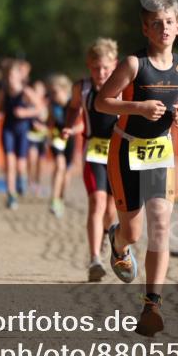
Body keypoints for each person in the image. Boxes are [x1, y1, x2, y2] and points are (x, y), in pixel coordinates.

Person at [97, 0, 178, 337]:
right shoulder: (134, 65)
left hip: (161, 152)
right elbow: (102, 102)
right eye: (156, 23)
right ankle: (118, 242)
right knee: (134, 233)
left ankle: (151, 306)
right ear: (145, 29)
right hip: (126, 150)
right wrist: (137, 107)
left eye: (169, 22)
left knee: (161, 224)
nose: (163, 28)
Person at [62, 38, 120, 282]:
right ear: (89, 66)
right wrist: (69, 125)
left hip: (118, 154)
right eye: (96, 68)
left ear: (115, 65)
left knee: (111, 210)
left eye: (106, 68)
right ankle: (95, 258)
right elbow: (73, 108)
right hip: (94, 150)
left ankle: (106, 236)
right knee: (97, 202)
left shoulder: (123, 86)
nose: (101, 73)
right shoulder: (82, 88)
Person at [0, 60, 41, 210]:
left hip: (22, 131)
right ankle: (11, 195)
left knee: (20, 165)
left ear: (19, 76)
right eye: (8, 76)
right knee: (9, 163)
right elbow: (1, 107)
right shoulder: (4, 92)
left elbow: (40, 108)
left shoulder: (26, 92)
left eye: (13, 75)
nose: (10, 79)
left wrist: (25, 113)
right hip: (8, 130)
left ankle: (22, 180)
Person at [46, 74, 76, 218]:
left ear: (65, 90)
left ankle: (61, 199)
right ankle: (54, 199)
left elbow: (82, 124)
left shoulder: (73, 104)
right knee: (60, 166)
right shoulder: (52, 105)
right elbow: (50, 122)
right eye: (51, 92)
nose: (53, 95)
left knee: (66, 172)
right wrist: (48, 134)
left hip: (70, 139)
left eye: (55, 92)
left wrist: (72, 131)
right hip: (57, 138)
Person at [26, 78, 49, 197]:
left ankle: (38, 183)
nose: (37, 92)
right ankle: (30, 182)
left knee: (40, 163)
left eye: (39, 90)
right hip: (31, 136)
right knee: (32, 158)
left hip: (42, 137)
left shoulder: (47, 104)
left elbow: (48, 120)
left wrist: (44, 128)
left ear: (44, 91)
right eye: (35, 90)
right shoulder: (29, 104)